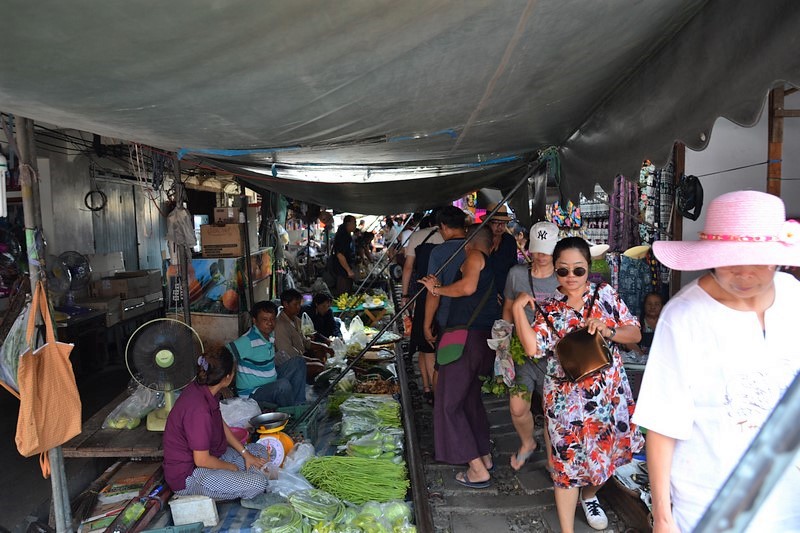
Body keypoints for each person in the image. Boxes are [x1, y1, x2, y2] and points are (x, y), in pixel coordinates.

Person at [632, 190, 800, 532]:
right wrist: (663, 517)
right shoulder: (683, 317)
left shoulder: (794, 298)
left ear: (778, 258)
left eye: (759, 263)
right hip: (709, 506)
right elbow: (663, 424)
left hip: (789, 504)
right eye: (731, 262)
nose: (744, 275)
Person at [512, 237, 644, 532]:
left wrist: (608, 331)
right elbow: (533, 348)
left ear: (589, 267)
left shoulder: (605, 294)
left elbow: (634, 334)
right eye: (563, 270)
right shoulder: (548, 308)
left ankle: (589, 496)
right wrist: (518, 310)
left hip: (607, 398)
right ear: (555, 269)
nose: (571, 277)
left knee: (609, 456)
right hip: (565, 402)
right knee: (565, 468)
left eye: (578, 270)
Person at [419, 225, 499, 488]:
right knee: (469, 401)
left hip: (464, 339)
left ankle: (476, 469)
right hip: (481, 340)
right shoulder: (490, 263)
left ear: (469, 243)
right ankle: (484, 456)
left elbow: (467, 288)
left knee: (448, 404)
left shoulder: (474, 256)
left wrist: (437, 289)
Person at [163, 348, 271, 500]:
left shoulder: (204, 389)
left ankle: (246, 477)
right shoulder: (198, 410)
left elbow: (220, 423)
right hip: (191, 475)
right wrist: (231, 468)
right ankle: (250, 480)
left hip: (215, 455)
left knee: (260, 450)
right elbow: (201, 460)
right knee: (258, 483)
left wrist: (246, 454)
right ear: (227, 377)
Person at [501, 221, 560, 472]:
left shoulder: (564, 276)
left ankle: (553, 461)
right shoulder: (517, 274)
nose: (541, 256)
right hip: (522, 353)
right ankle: (528, 443)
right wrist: (503, 343)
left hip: (554, 357)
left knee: (552, 412)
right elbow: (507, 308)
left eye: (547, 250)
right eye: (537, 249)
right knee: (518, 407)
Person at [227, 301, 307, 408]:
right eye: (265, 320)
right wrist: (225, 383)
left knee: (298, 362)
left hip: (270, 382)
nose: (270, 323)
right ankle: (290, 412)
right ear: (255, 321)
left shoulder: (270, 335)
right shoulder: (248, 341)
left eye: (272, 319)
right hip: (252, 393)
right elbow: (223, 355)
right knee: (283, 385)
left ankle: (299, 405)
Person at [401, 213, 444, 405]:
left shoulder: (417, 236)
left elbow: (408, 268)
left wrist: (405, 295)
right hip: (445, 293)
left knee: (423, 345)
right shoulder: (450, 237)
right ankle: (436, 389)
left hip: (422, 293)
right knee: (435, 344)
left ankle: (427, 388)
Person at [422, 206, 469, 349]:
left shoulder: (438, 252)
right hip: (475, 318)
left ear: (443, 226)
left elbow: (433, 291)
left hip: (448, 319)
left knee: (447, 360)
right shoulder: (476, 247)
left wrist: (427, 325)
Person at [274, 288, 334, 383]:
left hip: (300, 356)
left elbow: (305, 342)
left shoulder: (296, 320)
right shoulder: (280, 325)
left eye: (299, 304)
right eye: (295, 304)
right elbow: (288, 353)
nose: (298, 307)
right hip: (287, 364)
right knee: (319, 367)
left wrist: (324, 347)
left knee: (321, 354)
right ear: (285, 304)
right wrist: (310, 360)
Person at [485, 202, 518, 299]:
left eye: (503, 223)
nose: (500, 227)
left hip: (505, 293)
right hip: (483, 293)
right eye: (495, 223)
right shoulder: (480, 240)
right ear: (487, 222)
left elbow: (513, 268)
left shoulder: (509, 241)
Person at [332, 215, 356, 296]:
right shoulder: (343, 236)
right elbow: (340, 254)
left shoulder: (347, 235)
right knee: (343, 294)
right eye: (354, 223)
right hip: (342, 271)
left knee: (347, 292)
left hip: (345, 270)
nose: (355, 225)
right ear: (348, 223)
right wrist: (348, 270)